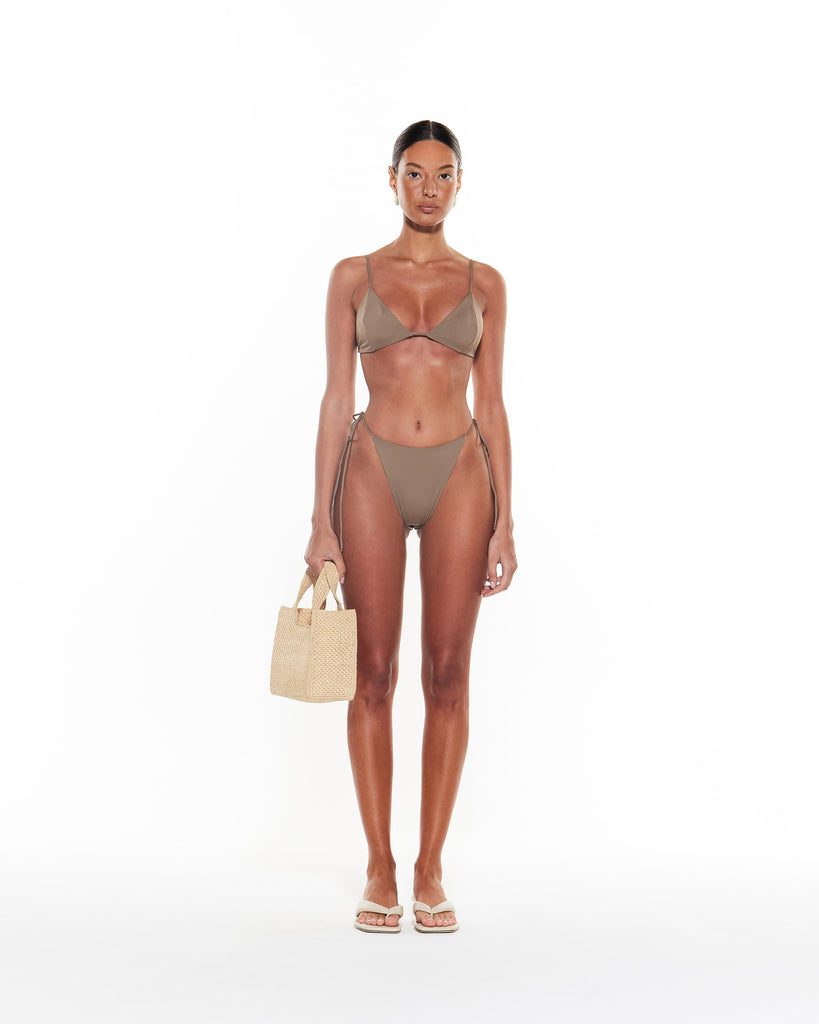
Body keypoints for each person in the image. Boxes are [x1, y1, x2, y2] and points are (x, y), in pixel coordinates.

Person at [304, 120, 517, 933]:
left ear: (459, 185)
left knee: (448, 674)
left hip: (461, 473)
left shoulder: (485, 284)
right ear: (390, 179)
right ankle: (379, 865)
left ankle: (429, 866)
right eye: (415, 173)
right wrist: (319, 520)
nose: (429, 188)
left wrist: (506, 521)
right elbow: (335, 398)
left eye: (444, 174)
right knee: (373, 671)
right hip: (371, 472)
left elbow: (492, 403)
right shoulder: (352, 276)